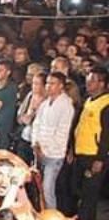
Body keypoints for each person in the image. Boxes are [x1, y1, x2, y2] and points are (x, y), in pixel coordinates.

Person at [69, 68, 109, 220]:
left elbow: (106, 134)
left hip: (94, 155)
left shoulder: (106, 104)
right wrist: (72, 148)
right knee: (78, 189)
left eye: (92, 80)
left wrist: (100, 158)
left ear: (102, 83)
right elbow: (78, 127)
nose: (88, 83)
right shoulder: (89, 100)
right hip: (81, 152)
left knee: (90, 192)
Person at [31, 72, 75, 210]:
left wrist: (45, 148)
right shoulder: (45, 104)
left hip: (54, 154)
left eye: (52, 83)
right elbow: (36, 125)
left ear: (61, 86)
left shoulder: (66, 106)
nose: (48, 86)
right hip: (40, 151)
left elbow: (61, 133)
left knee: (47, 189)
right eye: (47, 83)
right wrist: (35, 143)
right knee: (38, 189)